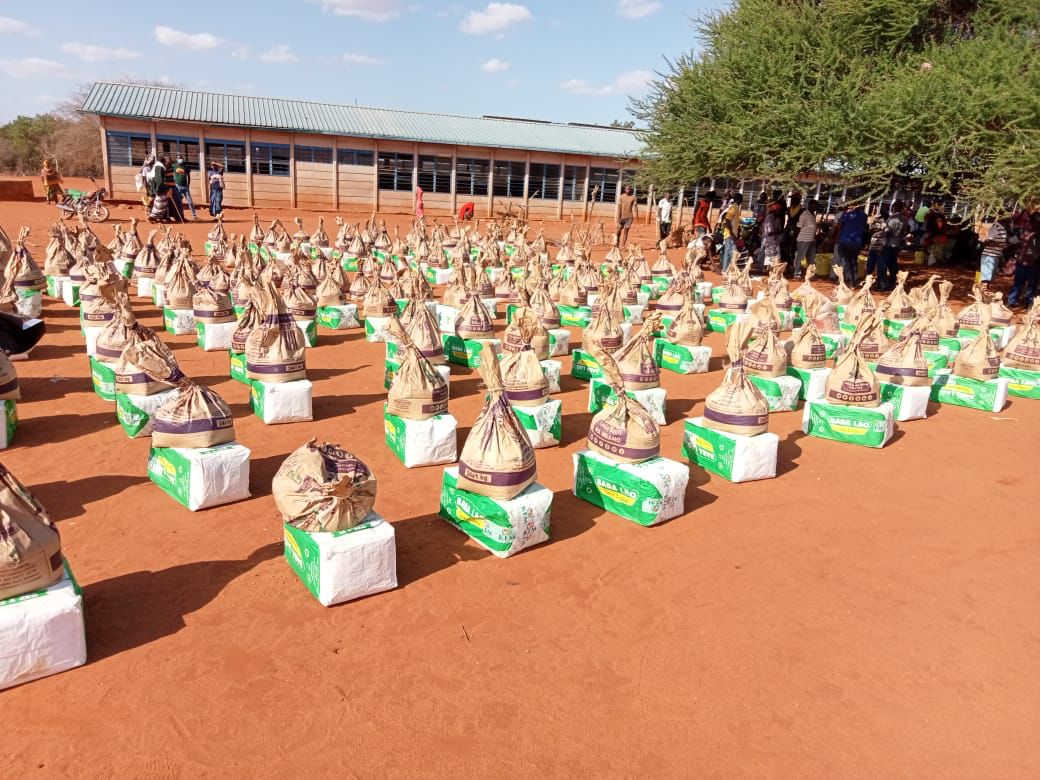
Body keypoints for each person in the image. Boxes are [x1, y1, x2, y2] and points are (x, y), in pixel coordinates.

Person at [1007, 212, 1040, 308]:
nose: (1034, 223)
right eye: (1034, 220)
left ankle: (1027, 303)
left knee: (1030, 285)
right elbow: (1013, 241)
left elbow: (1013, 241)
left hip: (1033, 264)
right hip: (1024, 263)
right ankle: (1013, 301)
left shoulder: (1030, 233)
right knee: (1020, 283)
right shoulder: (1025, 232)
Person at [833, 201, 868, 285]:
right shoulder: (864, 216)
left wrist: (836, 238)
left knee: (845, 261)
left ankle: (849, 279)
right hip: (857, 242)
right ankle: (854, 280)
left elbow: (840, 226)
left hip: (845, 241)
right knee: (853, 261)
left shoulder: (846, 214)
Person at [881, 202, 908, 290]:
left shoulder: (892, 218)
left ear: (894, 208)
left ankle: (883, 284)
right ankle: (892, 283)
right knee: (893, 264)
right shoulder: (904, 220)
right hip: (897, 244)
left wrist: (883, 243)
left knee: (883, 264)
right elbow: (904, 231)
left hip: (888, 244)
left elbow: (887, 232)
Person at [979, 217, 1010, 288]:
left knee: (988, 277)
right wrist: (1000, 245)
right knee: (986, 278)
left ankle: (983, 291)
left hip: (995, 254)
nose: (1010, 218)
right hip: (989, 255)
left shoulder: (1001, 227)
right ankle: (983, 291)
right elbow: (986, 242)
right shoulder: (995, 227)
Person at [792, 198, 818, 279]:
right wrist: (796, 238)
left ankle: (811, 274)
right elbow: (798, 227)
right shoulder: (804, 214)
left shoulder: (813, 215)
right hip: (803, 240)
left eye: (816, 205)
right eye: (814, 205)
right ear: (810, 205)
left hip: (811, 240)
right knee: (800, 257)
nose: (816, 207)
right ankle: (797, 273)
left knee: (811, 258)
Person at [718, 193, 742, 272]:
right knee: (732, 253)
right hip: (730, 234)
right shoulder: (734, 207)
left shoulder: (735, 208)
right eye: (741, 199)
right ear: (738, 200)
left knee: (728, 253)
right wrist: (731, 233)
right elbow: (727, 220)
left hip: (731, 234)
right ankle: (728, 270)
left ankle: (726, 270)